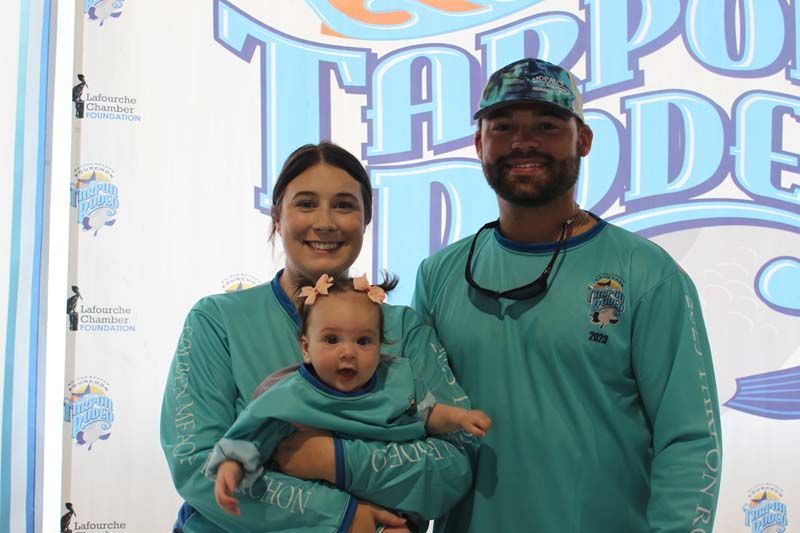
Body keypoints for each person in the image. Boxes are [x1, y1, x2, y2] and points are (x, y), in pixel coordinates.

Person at [412, 58, 723, 532]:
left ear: (584, 140)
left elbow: (690, 440)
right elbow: (413, 424)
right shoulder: (439, 276)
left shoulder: (646, 273)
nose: (523, 142)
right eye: (503, 126)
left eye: (547, 125)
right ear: (478, 144)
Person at [161, 142, 477, 533]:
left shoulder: (404, 330)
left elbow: (453, 468)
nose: (325, 222)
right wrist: (342, 517)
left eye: (344, 205)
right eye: (306, 204)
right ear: (277, 217)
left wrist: (335, 460)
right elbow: (198, 466)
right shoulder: (217, 322)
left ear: (365, 220)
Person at [208, 274, 491, 517]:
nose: (348, 352)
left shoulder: (397, 380)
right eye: (331, 339)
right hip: (318, 510)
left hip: (385, 502)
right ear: (306, 348)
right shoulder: (288, 396)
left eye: (363, 341)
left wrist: (459, 418)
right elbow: (252, 435)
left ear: (381, 346)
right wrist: (231, 465)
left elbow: (429, 414)